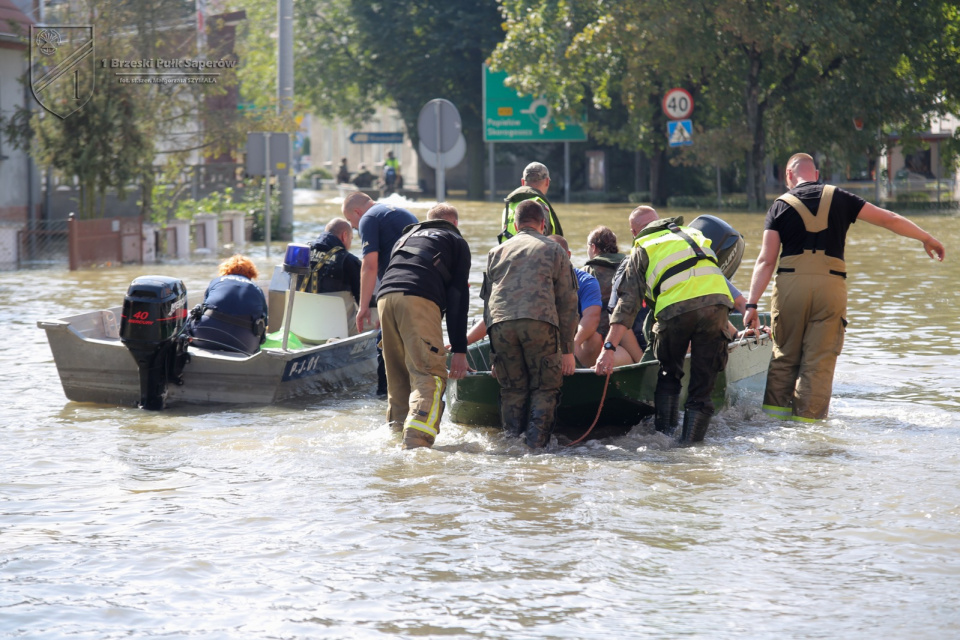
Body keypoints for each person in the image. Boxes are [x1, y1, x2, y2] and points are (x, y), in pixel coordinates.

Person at [743, 152, 946, 422]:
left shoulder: (779, 206)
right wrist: (926, 237)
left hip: (790, 285)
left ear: (789, 177)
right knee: (819, 363)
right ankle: (810, 430)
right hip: (831, 285)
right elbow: (889, 218)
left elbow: (766, 260)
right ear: (816, 174)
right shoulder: (840, 196)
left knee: (784, 357)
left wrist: (751, 304)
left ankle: (772, 426)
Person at [594, 206, 734, 445]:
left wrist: (608, 348)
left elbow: (627, 305)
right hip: (718, 307)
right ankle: (691, 447)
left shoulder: (643, 246)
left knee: (669, 376)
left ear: (634, 232)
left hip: (675, 310)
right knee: (702, 388)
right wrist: (730, 330)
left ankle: (666, 443)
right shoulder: (694, 235)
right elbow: (706, 283)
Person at [481, 199, 579, 448]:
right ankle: (536, 449)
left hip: (501, 325)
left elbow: (487, 303)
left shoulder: (496, 252)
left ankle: (511, 445)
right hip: (540, 323)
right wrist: (567, 350)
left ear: (515, 224)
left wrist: (494, 354)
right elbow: (568, 303)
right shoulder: (554, 250)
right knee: (545, 387)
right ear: (543, 224)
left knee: (512, 389)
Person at [377, 203, 472, 449]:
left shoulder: (405, 237)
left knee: (398, 377)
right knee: (430, 375)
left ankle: (395, 435)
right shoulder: (453, 239)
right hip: (416, 299)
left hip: (385, 299)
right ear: (455, 223)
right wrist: (460, 350)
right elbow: (458, 298)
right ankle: (416, 445)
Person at [342, 191, 419, 394]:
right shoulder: (405, 213)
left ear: (357, 212)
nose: (352, 226)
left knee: (383, 349)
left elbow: (369, 266)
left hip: (400, 289)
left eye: (350, 220)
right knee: (416, 353)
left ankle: (387, 406)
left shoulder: (369, 218)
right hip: (424, 290)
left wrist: (364, 307)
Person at [583, 225, 643, 365]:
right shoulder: (631, 264)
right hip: (635, 334)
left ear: (593, 247)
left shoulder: (588, 270)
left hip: (604, 338)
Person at [185, 254, 267, 355]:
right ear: (251, 273)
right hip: (244, 344)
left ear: (225, 270)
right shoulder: (257, 289)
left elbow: (204, 308)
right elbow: (264, 323)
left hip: (205, 335)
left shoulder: (216, 282)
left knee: (187, 314)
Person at [299, 217, 362, 335]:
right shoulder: (349, 261)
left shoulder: (300, 253)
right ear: (344, 236)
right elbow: (364, 302)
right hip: (338, 331)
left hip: (301, 328)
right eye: (351, 239)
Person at [548, 235, 604, 367]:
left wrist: (574, 345)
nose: (553, 259)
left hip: (572, 337)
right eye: (549, 254)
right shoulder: (536, 281)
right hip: (544, 335)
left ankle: (579, 374)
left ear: (568, 255)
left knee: (594, 339)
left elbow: (592, 317)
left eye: (558, 253)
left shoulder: (586, 281)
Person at [500, 162, 563, 243]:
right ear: (547, 181)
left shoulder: (508, 207)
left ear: (522, 182)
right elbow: (543, 243)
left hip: (507, 254)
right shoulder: (539, 205)